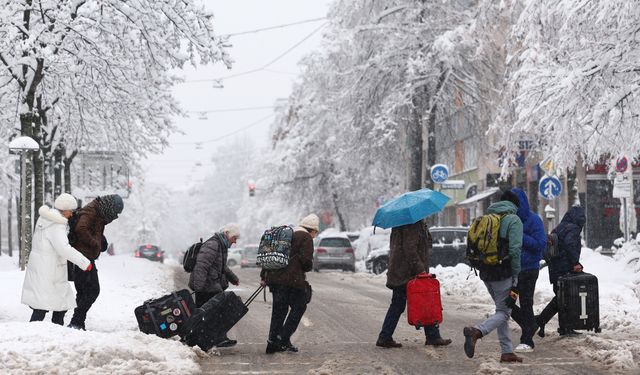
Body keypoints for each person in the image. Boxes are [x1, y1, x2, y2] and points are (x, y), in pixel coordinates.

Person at [463, 190, 523, 363]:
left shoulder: (487, 218)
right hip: (503, 272)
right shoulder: (513, 220)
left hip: (486, 271)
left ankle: (507, 351)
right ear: (515, 206)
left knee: (501, 310)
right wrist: (516, 275)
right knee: (504, 312)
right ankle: (477, 331)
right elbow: (515, 250)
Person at [376, 219, 452, 349]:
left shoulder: (403, 223)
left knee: (411, 303)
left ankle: (431, 335)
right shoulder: (411, 223)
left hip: (402, 271)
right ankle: (385, 337)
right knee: (417, 302)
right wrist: (420, 269)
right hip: (407, 273)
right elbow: (410, 249)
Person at [21, 194, 92, 325]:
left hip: (43, 269)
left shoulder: (45, 219)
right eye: (71, 211)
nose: (71, 214)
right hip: (50, 272)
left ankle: (54, 331)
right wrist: (85, 263)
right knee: (44, 308)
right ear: (64, 210)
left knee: (57, 305)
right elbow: (64, 249)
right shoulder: (56, 225)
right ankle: (40, 333)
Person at [261, 214, 317, 354]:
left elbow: (270, 255)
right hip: (292, 281)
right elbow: (306, 262)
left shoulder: (286, 234)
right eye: (315, 233)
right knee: (299, 307)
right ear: (312, 230)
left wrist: (264, 276)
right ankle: (283, 338)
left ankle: (272, 343)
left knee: (278, 311)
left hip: (274, 279)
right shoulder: (306, 238)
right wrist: (307, 264)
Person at [68, 194, 124, 330]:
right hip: (83, 258)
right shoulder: (91, 211)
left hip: (85, 257)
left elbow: (92, 228)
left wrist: (100, 239)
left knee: (84, 292)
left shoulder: (98, 211)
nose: (115, 216)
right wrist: (95, 243)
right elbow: (81, 228)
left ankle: (78, 322)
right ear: (109, 207)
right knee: (93, 290)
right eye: (115, 213)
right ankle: (76, 322)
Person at [536, 205, 586, 337]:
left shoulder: (560, 227)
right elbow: (569, 244)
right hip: (564, 268)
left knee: (561, 298)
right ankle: (563, 327)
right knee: (566, 298)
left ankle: (544, 321)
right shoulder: (573, 228)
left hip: (555, 267)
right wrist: (575, 262)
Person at [188, 223, 241, 347]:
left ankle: (213, 337)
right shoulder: (213, 244)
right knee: (215, 312)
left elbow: (221, 266)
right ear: (228, 234)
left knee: (212, 313)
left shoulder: (221, 245)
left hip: (211, 284)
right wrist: (199, 288)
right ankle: (204, 338)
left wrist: (233, 278)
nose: (235, 242)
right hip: (206, 286)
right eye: (234, 238)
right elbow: (201, 266)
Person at [509, 188, 547, 352]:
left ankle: (527, 340)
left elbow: (540, 244)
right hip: (513, 271)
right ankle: (530, 325)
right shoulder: (508, 221)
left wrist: (520, 236)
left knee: (525, 302)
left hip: (529, 269)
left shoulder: (534, 220)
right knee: (507, 303)